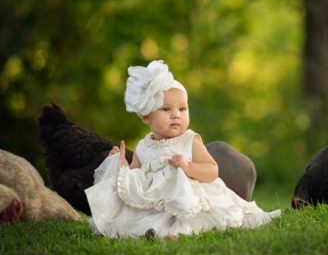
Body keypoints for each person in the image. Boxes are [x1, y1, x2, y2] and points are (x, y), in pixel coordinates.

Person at [85, 60, 280, 239]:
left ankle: (177, 232)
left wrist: (188, 167)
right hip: (159, 203)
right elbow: (137, 178)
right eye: (166, 109)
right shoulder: (144, 146)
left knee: (187, 214)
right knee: (149, 217)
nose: (175, 115)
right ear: (146, 116)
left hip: (189, 199)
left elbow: (212, 170)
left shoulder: (189, 141)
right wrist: (123, 166)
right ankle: (158, 231)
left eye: (182, 109)